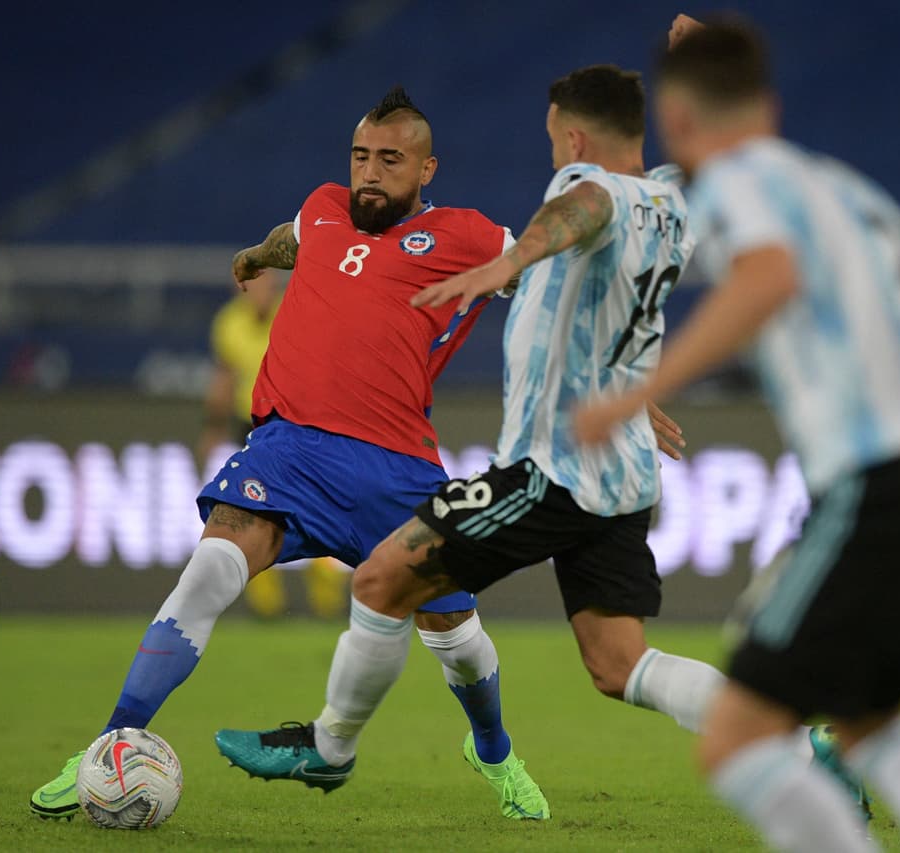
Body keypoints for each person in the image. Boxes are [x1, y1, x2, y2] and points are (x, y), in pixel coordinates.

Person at [215, 62, 760, 805]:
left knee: (381, 579)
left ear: (571, 132)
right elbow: (715, 154)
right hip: (624, 471)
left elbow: (584, 209)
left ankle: (330, 746)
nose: (551, 148)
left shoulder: (583, 189)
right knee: (618, 662)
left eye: (551, 134)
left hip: (552, 469)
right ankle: (794, 739)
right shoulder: (669, 198)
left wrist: (512, 257)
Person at [32, 87, 557, 822]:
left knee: (460, 641)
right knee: (203, 578)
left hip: (397, 467)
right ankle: (109, 744)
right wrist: (258, 252)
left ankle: (495, 751)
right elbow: (300, 234)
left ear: (427, 167)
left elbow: (548, 271)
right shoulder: (325, 207)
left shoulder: (467, 236)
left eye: (390, 160)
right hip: (289, 451)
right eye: (360, 157)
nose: (370, 173)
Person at [576, 20, 900, 852]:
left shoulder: (736, 180)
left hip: (883, 483)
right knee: (869, 722)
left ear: (679, 119)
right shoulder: (854, 193)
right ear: (767, 104)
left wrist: (639, 389)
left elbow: (767, 277)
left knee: (738, 736)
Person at [199, 270, 348, 620]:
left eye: (267, 285)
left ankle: (327, 603)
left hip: (294, 425)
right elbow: (225, 375)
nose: (261, 293)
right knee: (252, 514)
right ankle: (268, 607)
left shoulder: (294, 314)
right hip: (249, 426)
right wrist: (213, 428)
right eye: (254, 286)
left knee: (312, 511)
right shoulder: (229, 323)